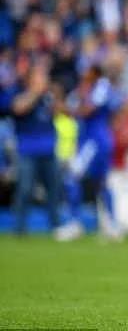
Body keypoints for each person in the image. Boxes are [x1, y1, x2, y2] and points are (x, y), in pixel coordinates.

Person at [54, 65, 122, 241]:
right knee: (101, 183)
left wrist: (67, 109)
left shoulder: (101, 86)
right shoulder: (85, 89)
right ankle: (112, 225)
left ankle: (75, 223)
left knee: (72, 177)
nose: (84, 75)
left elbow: (88, 110)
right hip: (94, 140)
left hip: (94, 141)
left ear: (95, 73)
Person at [0, 61, 60, 235]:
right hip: (28, 150)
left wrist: (55, 98)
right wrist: (35, 92)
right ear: (30, 79)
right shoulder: (18, 93)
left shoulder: (47, 97)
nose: (44, 79)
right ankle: (19, 227)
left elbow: (59, 113)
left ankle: (55, 226)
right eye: (40, 75)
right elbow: (18, 108)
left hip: (49, 150)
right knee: (25, 189)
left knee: (54, 189)